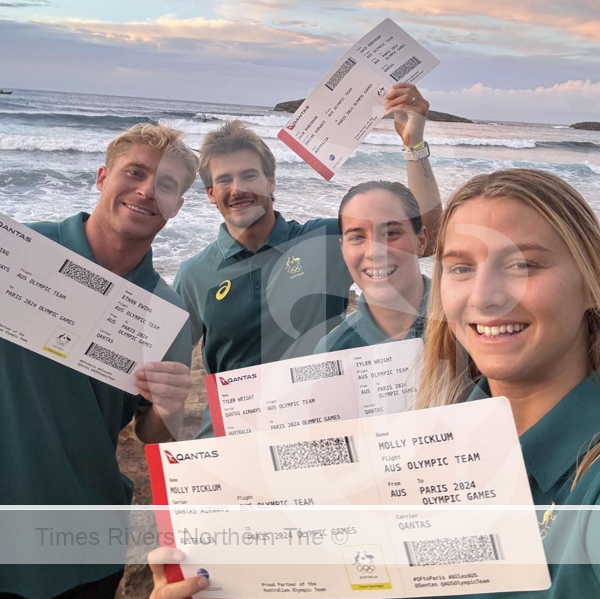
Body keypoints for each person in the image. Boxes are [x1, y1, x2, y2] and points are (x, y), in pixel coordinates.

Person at [174, 82, 442, 439]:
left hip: (320, 434)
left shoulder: (326, 241)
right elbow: (167, 373)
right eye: (224, 180)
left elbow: (426, 237)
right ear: (210, 194)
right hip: (232, 443)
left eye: (249, 175)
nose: (238, 189)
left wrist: (414, 145)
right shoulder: (194, 274)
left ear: (271, 182)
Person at [0, 123, 198, 599]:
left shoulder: (167, 313)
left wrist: (171, 410)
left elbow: (148, 432)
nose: (147, 191)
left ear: (177, 206)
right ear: (102, 176)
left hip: (83, 538)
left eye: (167, 185)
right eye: (135, 172)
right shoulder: (20, 252)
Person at [415, 168, 600, 596]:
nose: (484, 296)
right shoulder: (429, 444)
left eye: (522, 264)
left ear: (591, 282)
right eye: (461, 267)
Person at [314, 180, 429, 352]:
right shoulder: (333, 350)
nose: (374, 252)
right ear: (343, 249)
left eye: (391, 233)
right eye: (357, 237)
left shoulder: (471, 322)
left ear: (421, 241)